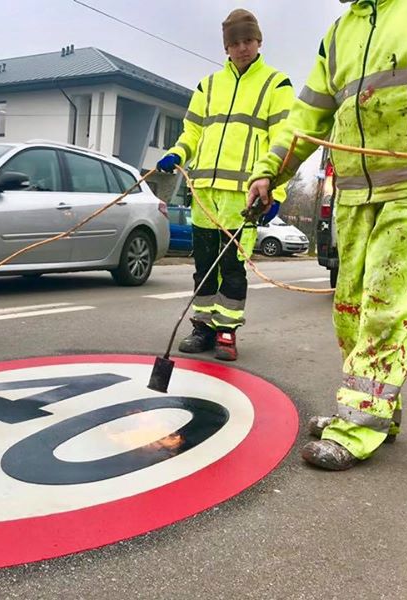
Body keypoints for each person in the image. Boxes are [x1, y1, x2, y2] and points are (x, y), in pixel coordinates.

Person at [248, 0, 407, 470]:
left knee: (387, 306)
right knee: (350, 309)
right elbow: (308, 115)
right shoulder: (342, 30)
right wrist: (270, 172)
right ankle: (376, 406)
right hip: (356, 193)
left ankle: (360, 424)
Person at [157, 8, 294, 361]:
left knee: (231, 266)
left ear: (259, 41)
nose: (242, 48)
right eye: (235, 43)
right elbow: (192, 133)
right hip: (204, 193)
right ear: (226, 48)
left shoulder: (276, 85)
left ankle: (227, 332)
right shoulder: (208, 86)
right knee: (203, 264)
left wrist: (275, 192)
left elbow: (285, 142)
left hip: (243, 196)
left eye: (248, 40)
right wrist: (176, 154)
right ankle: (201, 327)